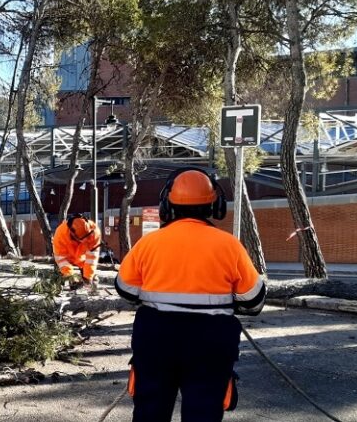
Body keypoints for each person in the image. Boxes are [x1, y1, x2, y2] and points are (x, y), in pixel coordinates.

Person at [114, 168, 265, 422]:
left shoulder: (149, 243)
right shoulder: (229, 245)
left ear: (166, 204)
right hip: (210, 342)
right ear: (214, 205)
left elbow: (125, 290)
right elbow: (253, 300)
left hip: (155, 339)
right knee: (204, 413)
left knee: (150, 412)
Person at [52, 214, 102, 286]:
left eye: (87, 237)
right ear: (72, 233)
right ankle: (58, 287)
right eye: (82, 239)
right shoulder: (60, 234)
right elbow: (61, 259)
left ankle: (90, 283)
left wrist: (88, 276)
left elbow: (92, 258)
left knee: (91, 280)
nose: (85, 241)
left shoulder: (95, 233)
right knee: (64, 279)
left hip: (83, 260)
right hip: (67, 259)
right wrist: (71, 276)